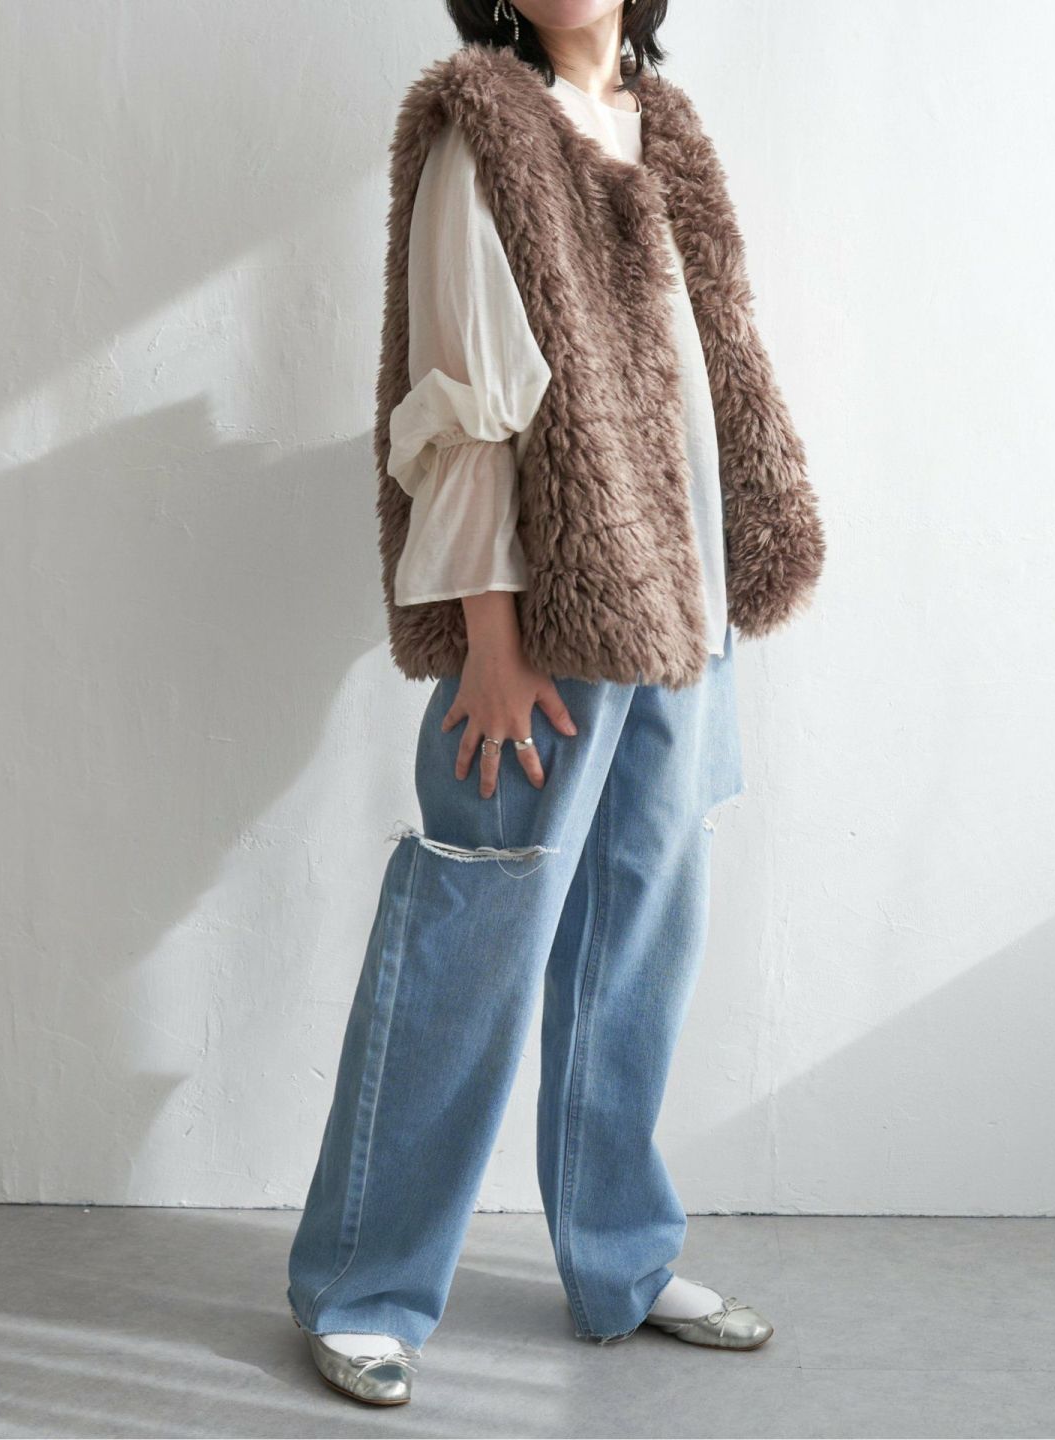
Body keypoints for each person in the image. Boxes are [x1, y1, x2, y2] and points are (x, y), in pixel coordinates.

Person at [286, 0, 826, 1406]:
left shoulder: (666, 126)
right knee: (471, 937)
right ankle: (363, 1288)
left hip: (685, 600)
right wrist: (490, 638)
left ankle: (621, 1263)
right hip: (548, 612)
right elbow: (462, 395)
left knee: (638, 938)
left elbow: (709, 362)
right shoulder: (483, 125)